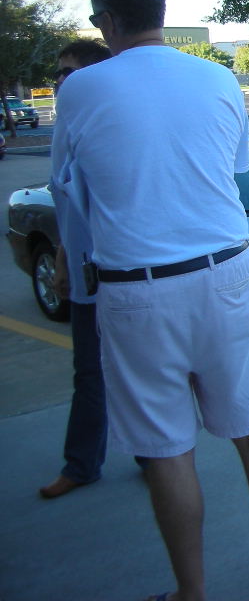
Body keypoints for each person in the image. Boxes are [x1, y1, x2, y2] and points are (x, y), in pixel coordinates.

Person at [53, 0, 249, 601]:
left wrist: (74, 267)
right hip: (227, 274)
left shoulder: (82, 89)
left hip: (138, 289)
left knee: (168, 451)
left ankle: (191, 594)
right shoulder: (219, 79)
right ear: (162, 11)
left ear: (107, 20)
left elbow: (70, 191)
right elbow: (225, 174)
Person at [39, 39, 112, 501]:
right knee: (89, 373)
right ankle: (82, 464)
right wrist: (64, 261)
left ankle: (158, 457)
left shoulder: (109, 124)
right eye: (58, 73)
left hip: (126, 274)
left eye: (68, 72)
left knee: (145, 374)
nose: (59, 81)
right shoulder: (65, 125)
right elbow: (65, 203)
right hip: (85, 274)